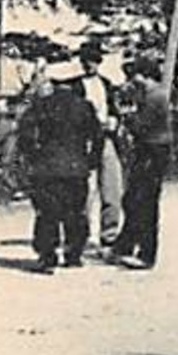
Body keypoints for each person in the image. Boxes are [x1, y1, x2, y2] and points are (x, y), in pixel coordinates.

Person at [17, 68, 101, 273]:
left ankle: (48, 256)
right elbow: (97, 136)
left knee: (47, 213)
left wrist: (33, 157)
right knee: (75, 212)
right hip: (76, 168)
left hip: (46, 168)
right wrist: (91, 160)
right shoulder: (84, 106)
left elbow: (25, 135)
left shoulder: (41, 106)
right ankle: (73, 254)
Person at [112, 57, 173, 269]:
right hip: (150, 149)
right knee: (132, 199)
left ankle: (146, 254)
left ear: (143, 74)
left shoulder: (155, 96)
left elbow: (141, 126)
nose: (131, 80)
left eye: (134, 75)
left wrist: (126, 117)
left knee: (145, 201)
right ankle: (124, 246)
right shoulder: (151, 94)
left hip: (153, 151)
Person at [76, 43, 125, 251]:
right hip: (85, 141)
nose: (90, 64)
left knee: (111, 186)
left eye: (94, 60)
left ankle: (110, 233)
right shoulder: (75, 86)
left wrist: (114, 121)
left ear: (99, 62)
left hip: (106, 140)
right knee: (85, 189)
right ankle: (82, 234)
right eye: (86, 60)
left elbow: (114, 110)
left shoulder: (107, 84)